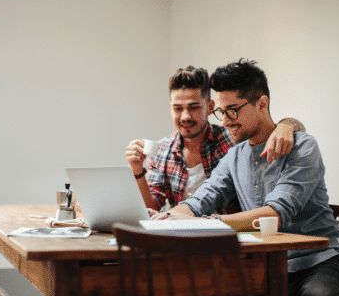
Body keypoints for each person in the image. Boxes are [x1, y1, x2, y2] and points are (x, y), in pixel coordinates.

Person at [152, 59, 339, 296]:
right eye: (221, 111)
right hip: (266, 268)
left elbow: (276, 213)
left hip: (322, 263)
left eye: (233, 110)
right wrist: (173, 216)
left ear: (262, 104)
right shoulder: (234, 156)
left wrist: (209, 223)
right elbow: (201, 200)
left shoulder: (303, 147)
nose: (226, 121)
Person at [126, 65, 305, 214]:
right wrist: (138, 171)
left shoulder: (233, 137)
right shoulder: (163, 150)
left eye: (194, 107)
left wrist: (287, 125)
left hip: (232, 238)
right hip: (183, 235)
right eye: (178, 108)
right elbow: (151, 209)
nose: (185, 116)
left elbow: (272, 132)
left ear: (210, 107)